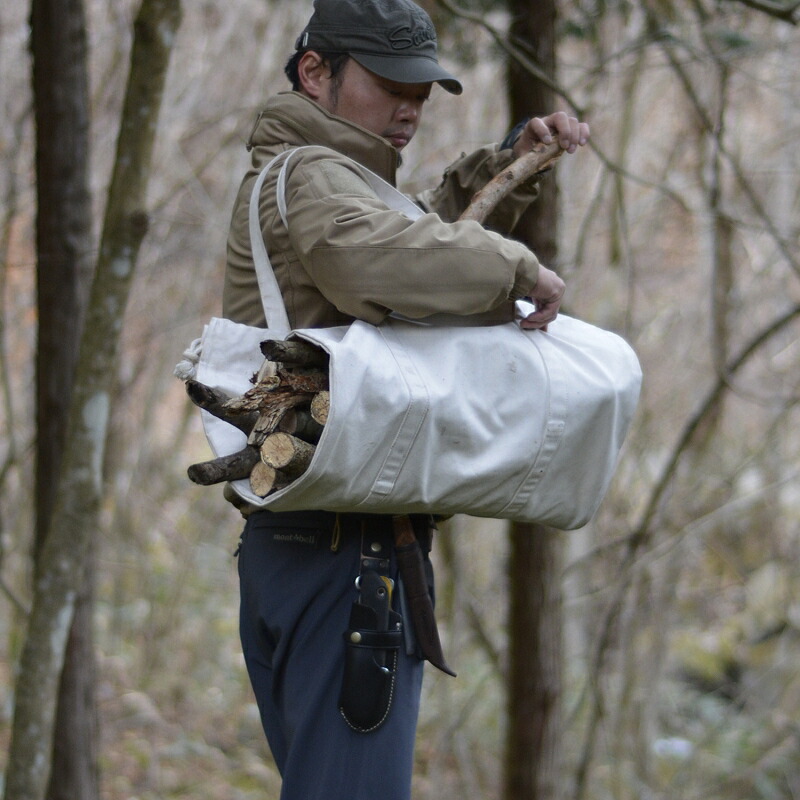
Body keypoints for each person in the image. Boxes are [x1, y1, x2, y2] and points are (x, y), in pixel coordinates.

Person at [223, 1, 589, 798]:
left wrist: (507, 167)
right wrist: (515, 269)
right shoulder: (314, 176)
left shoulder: (323, 180)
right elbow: (379, 261)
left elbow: (405, 232)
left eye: (422, 90)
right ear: (315, 71)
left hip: (300, 547)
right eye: (390, 83)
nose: (411, 107)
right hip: (346, 560)